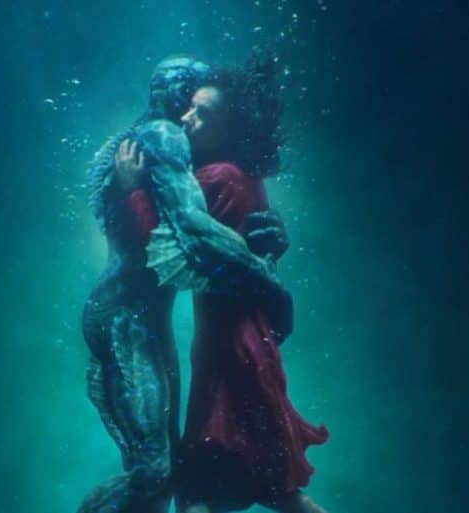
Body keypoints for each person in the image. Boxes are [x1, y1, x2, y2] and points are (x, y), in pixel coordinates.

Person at [114, 52, 328, 513]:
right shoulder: (242, 177)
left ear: (229, 130)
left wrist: (132, 189)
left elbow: (171, 244)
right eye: (189, 108)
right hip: (240, 343)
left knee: (224, 488)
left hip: (232, 350)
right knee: (265, 491)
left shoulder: (215, 178)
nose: (185, 119)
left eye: (202, 114)